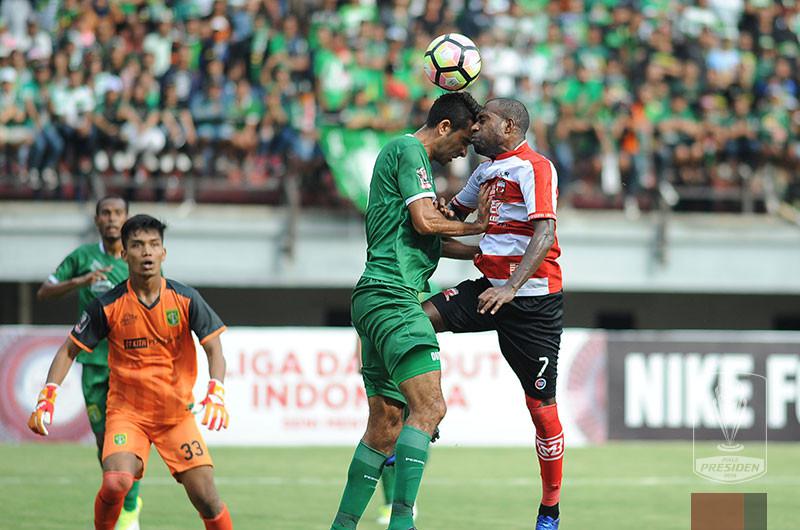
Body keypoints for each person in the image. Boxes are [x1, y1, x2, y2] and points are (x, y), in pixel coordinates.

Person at [329, 91, 489, 530]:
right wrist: (479, 223)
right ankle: (403, 523)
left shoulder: (407, 161)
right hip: (395, 295)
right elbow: (425, 221)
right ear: (442, 128)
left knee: (385, 426)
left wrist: (485, 250)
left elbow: (428, 236)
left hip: (375, 297)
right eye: (462, 141)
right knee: (431, 407)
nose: (463, 152)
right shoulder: (407, 149)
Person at [28, 214, 234, 530]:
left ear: (164, 253)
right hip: (127, 414)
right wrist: (48, 395)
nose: (147, 252)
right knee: (115, 482)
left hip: (175, 416)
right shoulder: (107, 305)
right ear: (125, 255)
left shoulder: (185, 298)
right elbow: (69, 349)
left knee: (206, 497)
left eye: (154, 245)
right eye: (137, 245)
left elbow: (214, 348)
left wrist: (216, 389)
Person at [425, 98, 565, 530]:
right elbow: (457, 219)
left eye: (482, 120)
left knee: (541, 408)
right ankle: (421, 411)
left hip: (532, 302)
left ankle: (550, 507)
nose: (474, 127)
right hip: (489, 290)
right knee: (415, 320)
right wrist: (437, 213)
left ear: (508, 126)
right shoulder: (484, 171)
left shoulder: (535, 167)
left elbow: (545, 231)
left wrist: (512, 287)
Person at [35, 196, 143, 530]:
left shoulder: (140, 258)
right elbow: (45, 291)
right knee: (103, 439)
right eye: (106, 214)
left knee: (128, 438)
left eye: (118, 214)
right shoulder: (82, 257)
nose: (112, 219)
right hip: (93, 362)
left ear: (126, 219)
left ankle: (129, 508)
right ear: (97, 220)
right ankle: (121, 492)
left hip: (130, 364)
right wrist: (79, 282)